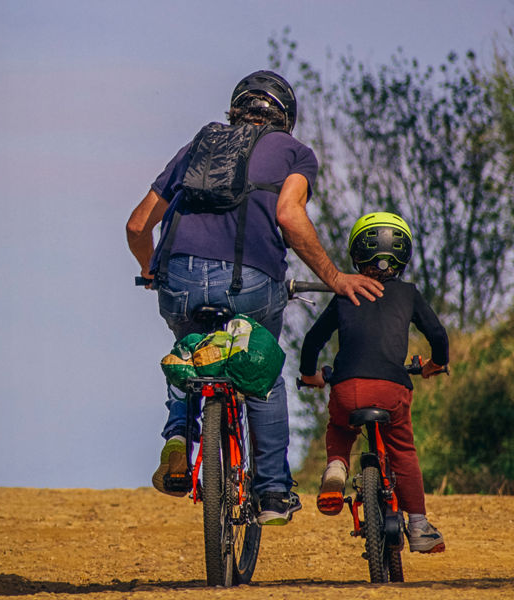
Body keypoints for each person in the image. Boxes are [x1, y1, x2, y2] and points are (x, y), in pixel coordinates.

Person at [126, 70, 383, 526]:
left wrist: (152, 270)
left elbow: (137, 224)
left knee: (191, 351)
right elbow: (288, 213)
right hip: (251, 282)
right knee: (261, 369)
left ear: (236, 107)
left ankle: (179, 441)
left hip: (178, 280)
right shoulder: (294, 153)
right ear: (286, 117)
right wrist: (334, 276)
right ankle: (271, 493)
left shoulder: (197, 147)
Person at [299, 211, 448, 553]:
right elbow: (438, 335)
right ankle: (420, 526)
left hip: (346, 387)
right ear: (404, 255)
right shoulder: (409, 294)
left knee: (340, 427)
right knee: (402, 450)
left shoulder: (344, 294)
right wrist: (434, 364)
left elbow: (312, 341)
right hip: (392, 389)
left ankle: (336, 469)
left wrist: (311, 375)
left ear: (356, 254)